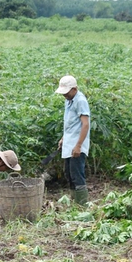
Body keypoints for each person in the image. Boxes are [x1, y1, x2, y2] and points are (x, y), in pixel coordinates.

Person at [55, 75, 90, 206]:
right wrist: (64, 138)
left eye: (67, 92)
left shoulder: (80, 100)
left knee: (77, 174)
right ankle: (75, 202)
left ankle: (82, 205)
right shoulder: (69, 100)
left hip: (77, 144)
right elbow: (71, 123)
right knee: (69, 173)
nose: (65, 95)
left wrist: (78, 146)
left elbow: (85, 124)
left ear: (74, 89)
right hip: (70, 142)